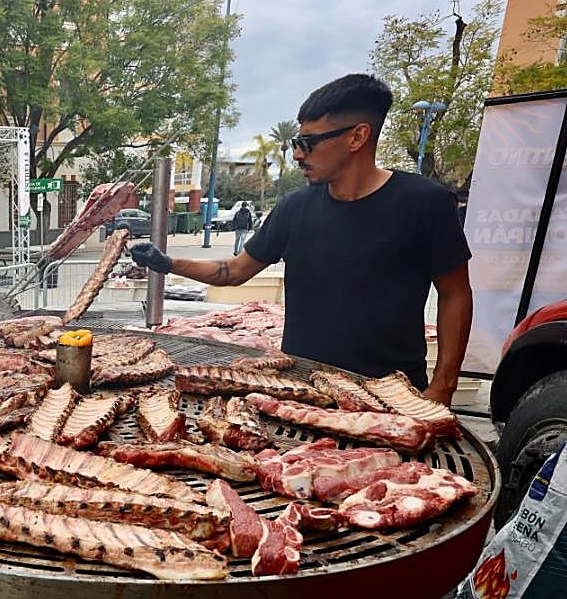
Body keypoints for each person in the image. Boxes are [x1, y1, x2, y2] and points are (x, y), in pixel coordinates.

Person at [131, 73, 472, 405]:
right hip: (301, 390)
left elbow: (455, 294)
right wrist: (167, 263)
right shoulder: (295, 207)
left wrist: (444, 385)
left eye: (308, 143)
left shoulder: (424, 203)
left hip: (390, 395)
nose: (297, 154)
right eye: (297, 143)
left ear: (357, 137)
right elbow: (234, 271)